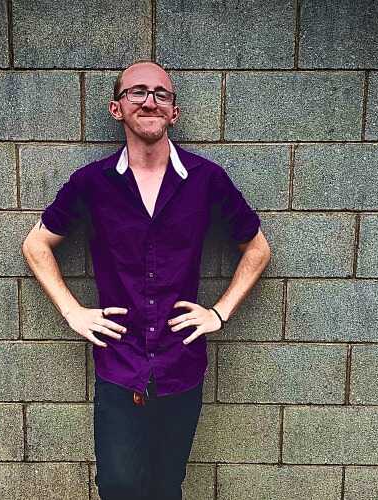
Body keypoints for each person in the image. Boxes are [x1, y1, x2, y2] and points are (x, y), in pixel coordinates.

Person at [21, 59, 271, 500]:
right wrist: (73, 312)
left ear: (174, 111)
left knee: (165, 486)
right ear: (117, 108)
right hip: (120, 361)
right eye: (137, 92)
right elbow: (36, 245)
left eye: (161, 94)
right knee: (117, 485)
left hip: (181, 362)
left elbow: (258, 249)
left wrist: (219, 313)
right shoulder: (92, 183)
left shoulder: (206, 179)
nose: (150, 101)